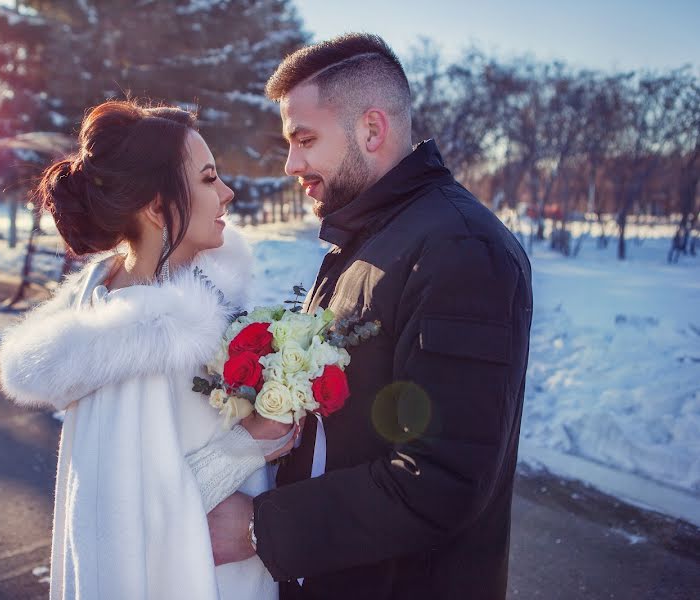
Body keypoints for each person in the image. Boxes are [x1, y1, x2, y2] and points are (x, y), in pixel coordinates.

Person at [207, 33, 533, 600]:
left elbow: (441, 479)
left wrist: (263, 528)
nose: (291, 163)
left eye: (305, 139)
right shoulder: (369, 237)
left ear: (372, 129)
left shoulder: (459, 248)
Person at [0, 100, 295, 600]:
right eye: (207, 179)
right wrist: (249, 442)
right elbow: (126, 523)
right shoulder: (145, 338)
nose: (227, 192)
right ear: (158, 207)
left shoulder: (121, 297)